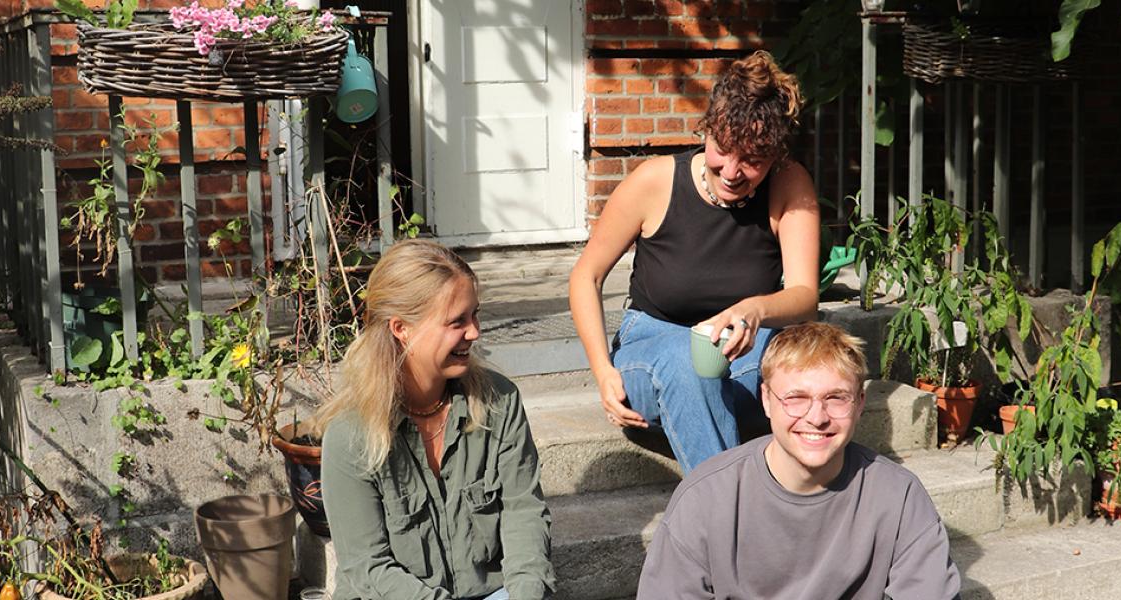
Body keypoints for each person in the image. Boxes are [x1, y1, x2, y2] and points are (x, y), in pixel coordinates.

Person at [568, 50, 820, 470]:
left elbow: (805, 296)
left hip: (746, 355)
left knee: (804, 364)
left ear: (775, 157)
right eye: (724, 149)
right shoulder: (654, 181)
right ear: (707, 129)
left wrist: (754, 310)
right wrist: (602, 371)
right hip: (652, 347)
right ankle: (725, 499)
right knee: (689, 366)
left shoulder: (788, 183)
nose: (733, 172)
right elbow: (586, 276)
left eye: (753, 160)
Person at [637, 322, 962, 599]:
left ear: (860, 403)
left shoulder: (898, 497)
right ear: (766, 400)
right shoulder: (705, 498)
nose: (816, 417)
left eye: (836, 398)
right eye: (796, 398)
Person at [317, 240, 555, 600]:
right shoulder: (350, 435)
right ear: (401, 328)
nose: (474, 332)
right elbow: (369, 567)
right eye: (457, 321)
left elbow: (525, 514)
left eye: (475, 315)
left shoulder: (499, 402)